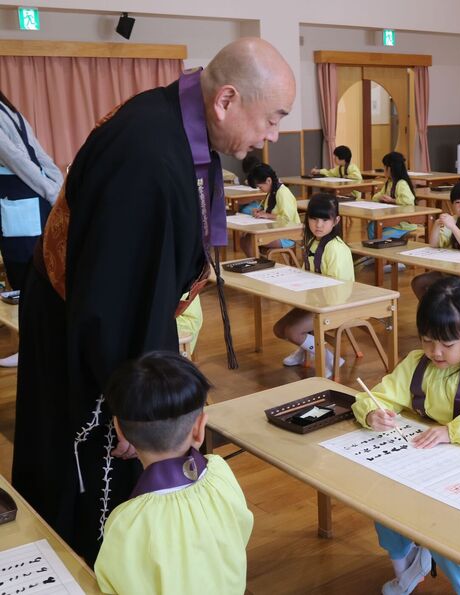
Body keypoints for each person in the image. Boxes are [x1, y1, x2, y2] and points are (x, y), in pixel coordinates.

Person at [13, 38, 294, 564]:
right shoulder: (148, 155)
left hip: (106, 315)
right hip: (88, 337)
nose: (273, 135)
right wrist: (140, 408)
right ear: (226, 99)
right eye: (272, 118)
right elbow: (117, 301)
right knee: (100, 487)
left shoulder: (171, 122)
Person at [351, 277, 460, 595]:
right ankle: (406, 569)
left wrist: (451, 431)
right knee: (382, 506)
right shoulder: (416, 364)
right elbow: (375, 396)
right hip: (429, 465)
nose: (436, 352)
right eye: (428, 341)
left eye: (447, 344)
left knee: (447, 535)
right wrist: (372, 413)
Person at [95, 352, 253, 594]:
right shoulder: (220, 473)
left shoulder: (128, 520)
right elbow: (240, 533)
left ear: (120, 431)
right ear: (200, 429)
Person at [0, 91, 63, 368]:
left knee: (30, 278)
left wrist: (53, 187)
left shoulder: (7, 110)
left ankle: (37, 351)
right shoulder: (8, 109)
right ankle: (35, 348)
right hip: (32, 197)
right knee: (34, 279)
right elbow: (33, 155)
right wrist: (55, 185)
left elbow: (20, 158)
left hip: (26, 197)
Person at [274, 193, 353, 370]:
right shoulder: (313, 242)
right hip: (316, 300)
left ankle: (329, 359)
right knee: (279, 329)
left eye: (325, 220)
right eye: (314, 219)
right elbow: (306, 274)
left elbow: (338, 289)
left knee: (293, 331)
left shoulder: (336, 248)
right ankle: (305, 352)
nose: (318, 225)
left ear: (336, 221)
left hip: (335, 304)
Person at [241, 163, 300, 256]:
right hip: (275, 231)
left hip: (287, 236)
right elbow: (267, 209)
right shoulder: (272, 191)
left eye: (260, 187)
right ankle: (259, 263)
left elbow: (287, 219)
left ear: (268, 180)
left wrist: (267, 215)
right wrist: (259, 211)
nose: (260, 190)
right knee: (245, 239)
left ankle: (258, 265)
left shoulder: (283, 193)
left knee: (250, 240)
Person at [370, 151, 417, 240]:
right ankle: (374, 250)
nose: (383, 169)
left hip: (403, 225)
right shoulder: (389, 182)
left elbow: (408, 200)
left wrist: (392, 200)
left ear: (390, 168)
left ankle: (379, 251)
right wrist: (379, 197)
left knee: (382, 236)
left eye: (385, 167)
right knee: (372, 226)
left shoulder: (401, 183)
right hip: (393, 220)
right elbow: (377, 196)